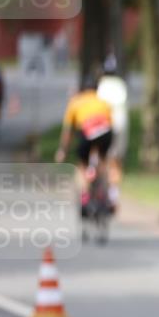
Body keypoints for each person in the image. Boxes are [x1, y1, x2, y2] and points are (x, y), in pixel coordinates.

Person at [55, 75, 114, 211]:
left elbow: (67, 131)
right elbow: (111, 125)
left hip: (87, 132)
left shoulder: (76, 102)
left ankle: (85, 198)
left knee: (82, 166)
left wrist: (63, 150)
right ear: (97, 89)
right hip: (105, 131)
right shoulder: (103, 102)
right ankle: (104, 194)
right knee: (103, 162)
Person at [97, 56, 129, 209]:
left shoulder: (101, 85)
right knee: (116, 160)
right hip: (120, 124)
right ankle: (114, 195)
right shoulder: (121, 84)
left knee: (101, 157)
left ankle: (99, 191)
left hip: (104, 124)